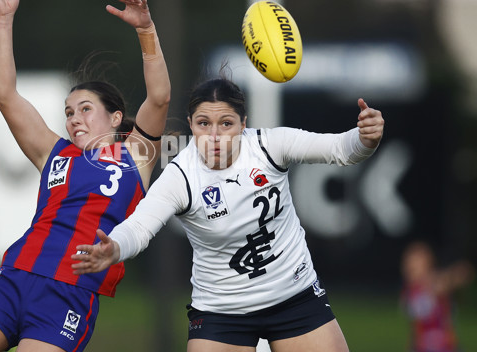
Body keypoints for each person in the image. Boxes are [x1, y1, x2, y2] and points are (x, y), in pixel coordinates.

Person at [0, 0, 170, 352]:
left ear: (117, 117)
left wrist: (145, 31)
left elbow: (158, 97)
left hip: (68, 295)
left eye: (86, 109)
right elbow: (5, 94)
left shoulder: (135, 155)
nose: (75, 119)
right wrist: (5, 19)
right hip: (13, 279)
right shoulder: (55, 152)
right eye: (69, 112)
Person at [72, 77, 385, 352]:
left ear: (243, 124)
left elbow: (343, 148)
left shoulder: (269, 146)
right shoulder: (182, 175)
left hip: (295, 297)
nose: (215, 135)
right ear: (191, 125)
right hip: (222, 313)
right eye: (203, 124)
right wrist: (113, 247)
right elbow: (139, 227)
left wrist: (366, 137)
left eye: (226, 123)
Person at [400, 241, 474, 352]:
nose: (410, 267)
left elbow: (464, 273)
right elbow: (416, 330)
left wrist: (447, 279)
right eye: (409, 263)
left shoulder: (436, 283)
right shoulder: (410, 292)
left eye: (416, 263)